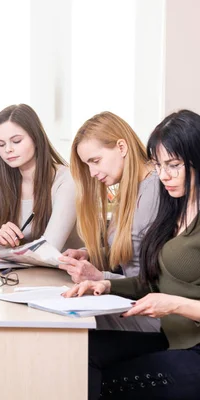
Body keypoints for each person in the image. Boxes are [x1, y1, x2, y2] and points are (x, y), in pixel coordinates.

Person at [64, 110, 200, 400]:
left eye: (173, 165)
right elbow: (152, 282)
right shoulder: (173, 211)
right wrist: (107, 284)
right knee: (79, 354)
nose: (164, 175)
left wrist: (172, 304)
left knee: (97, 380)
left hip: (191, 345)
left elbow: (163, 293)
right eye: (160, 165)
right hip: (171, 337)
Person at [59, 112, 160, 332]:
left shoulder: (154, 192)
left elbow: (155, 282)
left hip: (149, 315)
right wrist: (90, 254)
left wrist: (100, 277)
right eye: (88, 165)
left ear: (122, 147)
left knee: (69, 327)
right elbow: (131, 247)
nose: (93, 172)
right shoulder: (132, 188)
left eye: (95, 161)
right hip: (132, 303)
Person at [0, 104, 82, 251]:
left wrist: (13, 253)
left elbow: (49, 249)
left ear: (36, 138)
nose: (8, 149)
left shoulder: (67, 180)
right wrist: (2, 242)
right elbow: (4, 254)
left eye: (16, 141)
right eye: (1, 144)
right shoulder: (5, 187)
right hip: (25, 271)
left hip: (64, 271)